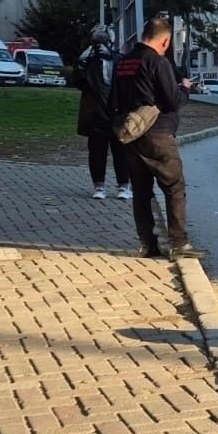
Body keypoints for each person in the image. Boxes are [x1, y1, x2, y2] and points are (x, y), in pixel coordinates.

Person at [113, 16, 205, 260]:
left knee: (141, 192)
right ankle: (179, 244)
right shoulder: (157, 62)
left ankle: (147, 243)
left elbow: (113, 98)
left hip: (130, 135)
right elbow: (172, 101)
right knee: (174, 188)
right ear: (165, 41)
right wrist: (184, 87)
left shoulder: (123, 62)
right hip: (159, 135)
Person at [75, 28, 130, 201]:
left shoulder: (114, 59)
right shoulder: (92, 60)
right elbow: (78, 82)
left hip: (108, 112)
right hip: (103, 112)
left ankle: (115, 186)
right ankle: (108, 186)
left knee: (113, 151)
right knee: (104, 152)